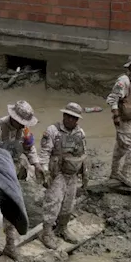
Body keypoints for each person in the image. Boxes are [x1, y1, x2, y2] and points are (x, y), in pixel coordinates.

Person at [0, 101, 44, 260]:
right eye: (21, 122)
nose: (22, 126)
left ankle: (10, 246)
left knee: (13, 212)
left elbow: (30, 148)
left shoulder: (23, 130)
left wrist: (36, 165)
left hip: (13, 176)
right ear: (13, 117)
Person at [40, 102, 89, 249]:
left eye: (74, 118)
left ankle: (62, 228)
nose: (70, 120)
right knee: (53, 202)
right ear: (64, 115)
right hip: (58, 173)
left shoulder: (80, 133)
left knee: (69, 203)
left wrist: (85, 175)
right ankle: (47, 232)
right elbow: (44, 153)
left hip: (72, 173)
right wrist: (44, 173)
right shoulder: (52, 131)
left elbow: (84, 154)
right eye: (68, 116)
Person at [107, 54, 131, 188]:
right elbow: (112, 99)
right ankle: (125, 173)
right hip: (122, 120)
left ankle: (114, 172)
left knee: (120, 147)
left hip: (128, 119)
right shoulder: (123, 81)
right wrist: (116, 116)